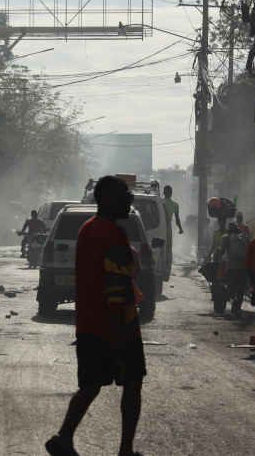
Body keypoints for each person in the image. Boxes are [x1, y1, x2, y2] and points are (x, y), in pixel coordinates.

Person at [46, 175, 145, 456]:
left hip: (91, 322)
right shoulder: (110, 233)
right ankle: (125, 450)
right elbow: (122, 276)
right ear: (108, 199)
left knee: (90, 386)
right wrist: (120, 329)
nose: (129, 199)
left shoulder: (89, 229)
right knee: (133, 383)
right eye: (124, 194)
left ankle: (64, 437)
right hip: (117, 323)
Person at [222, 221, 250, 319]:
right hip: (243, 268)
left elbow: (221, 251)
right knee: (240, 289)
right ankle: (236, 309)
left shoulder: (226, 237)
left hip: (232, 267)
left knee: (231, 288)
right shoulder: (244, 237)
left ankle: (231, 308)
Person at [162, 185, 183, 271]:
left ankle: (162, 263)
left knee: (161, 246)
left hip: (160, 226)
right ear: (171, 193)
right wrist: (180, 229)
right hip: (168, 227)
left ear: (164, 192)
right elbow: (177, 219)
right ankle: (167, 266)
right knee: (168, 247)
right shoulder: (175, 204)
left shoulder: (160, 202)